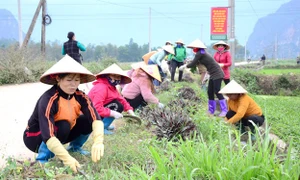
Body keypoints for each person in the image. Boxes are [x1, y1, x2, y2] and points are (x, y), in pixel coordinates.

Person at [23, 55, 104, 173]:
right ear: (58, 79)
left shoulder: (80, 96)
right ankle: (42, 159)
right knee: (63, 125)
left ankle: (75, 148)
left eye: (76, 80)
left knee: (86, 121)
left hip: (61, 133)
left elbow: (95, 118)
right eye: (69, 80)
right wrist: (66, 159)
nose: (73, 84)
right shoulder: (49, 99)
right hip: (36, 137)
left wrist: (98, 141)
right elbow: (48, 134)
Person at [178, 39, 227, 117]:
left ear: (197, 47)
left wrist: (184, 66)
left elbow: (193, 63)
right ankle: (211, 110)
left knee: (217, 91)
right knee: (210, 92)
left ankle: (224, 110)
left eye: (194, 47)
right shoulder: (201, 53)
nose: (193, 49)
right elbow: (195, 62)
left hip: (217, 73)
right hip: (212, 73)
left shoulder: (200, 53)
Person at [88, 63, 136, 135]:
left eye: (118, 77)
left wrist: (130, 110)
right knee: (117, 106)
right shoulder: (101, 87)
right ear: (107, 76)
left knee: (118, 104)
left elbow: (121, 99)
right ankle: (101, 128)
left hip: (98, 111)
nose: (116, 79)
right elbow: (96, 108)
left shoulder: (111, 87)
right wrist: (112, 113)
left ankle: (104, 125)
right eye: (114, 76)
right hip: (90, 114)